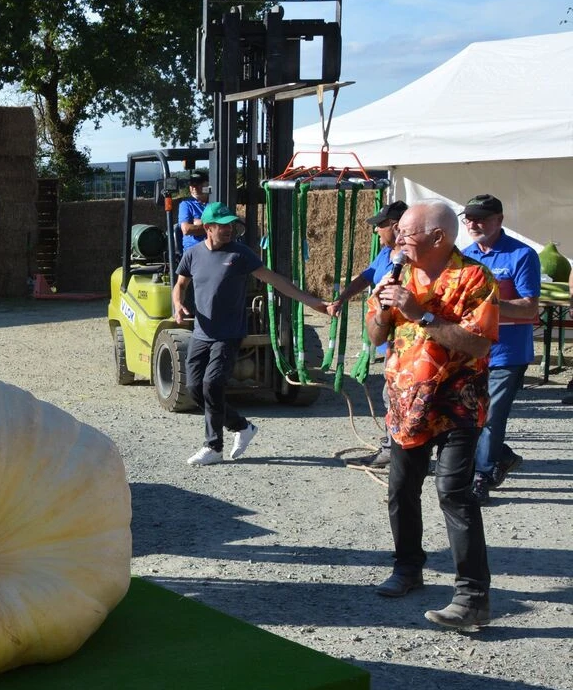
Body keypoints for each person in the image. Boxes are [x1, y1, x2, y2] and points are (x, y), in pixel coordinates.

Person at [366, 200, 499, 628]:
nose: (398, 239)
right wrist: (384, 308)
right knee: (401, 489)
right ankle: (407, 568)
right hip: (407, 403)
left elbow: (479, 344)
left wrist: (421, 313)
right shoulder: (397, 272)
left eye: (406, 232)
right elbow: (374, 335)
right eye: (398, 232)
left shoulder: (474, 277)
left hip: (457, 399)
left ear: (437, 238)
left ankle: (472, 597)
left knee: (454, 493)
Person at [172, 201, 332, 466]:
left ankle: (213, 446)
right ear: (208, 228)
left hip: (228, 334)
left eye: (232, 225)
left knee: (212, 384)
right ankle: (242, 427)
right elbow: (180, 284)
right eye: (223, 226)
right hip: (202, 332)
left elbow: (276, 280)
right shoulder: (193, 255)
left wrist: (313, 302)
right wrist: (178, 304)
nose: (230, 230)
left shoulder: (240, 254)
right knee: (194, 388)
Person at [457, 194, 541, 505]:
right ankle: (501, 457)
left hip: (507, 353)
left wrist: (490, 306)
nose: (473, 223)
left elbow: (529, 307)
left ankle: (482, 475)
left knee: (490, 415)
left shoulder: (522, 255)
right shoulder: (464, 256)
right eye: (468, 218)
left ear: (499, 220)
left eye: (481, 217)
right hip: (471, 349)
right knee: (468, 413)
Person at [327, 200, 408, 467]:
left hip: (407, 345)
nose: (376, 232)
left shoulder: (409, 259)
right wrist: (342, 297)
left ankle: (397, 451)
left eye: (380, 226)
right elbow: (365, 277)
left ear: (396, 227)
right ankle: (395, 449)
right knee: (392, 397)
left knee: (396, 398)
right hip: (390, 344)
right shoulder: (386, 255)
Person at [177, 169, 210, 254]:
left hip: (214, 248)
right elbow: (187, 229)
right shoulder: (186, 204)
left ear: (207, 184)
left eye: (199, 183)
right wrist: (213, 226)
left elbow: (228, 226)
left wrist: (200, 223)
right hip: (194, 250)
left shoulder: (215, 202)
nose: (194, 187)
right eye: (192, 184)